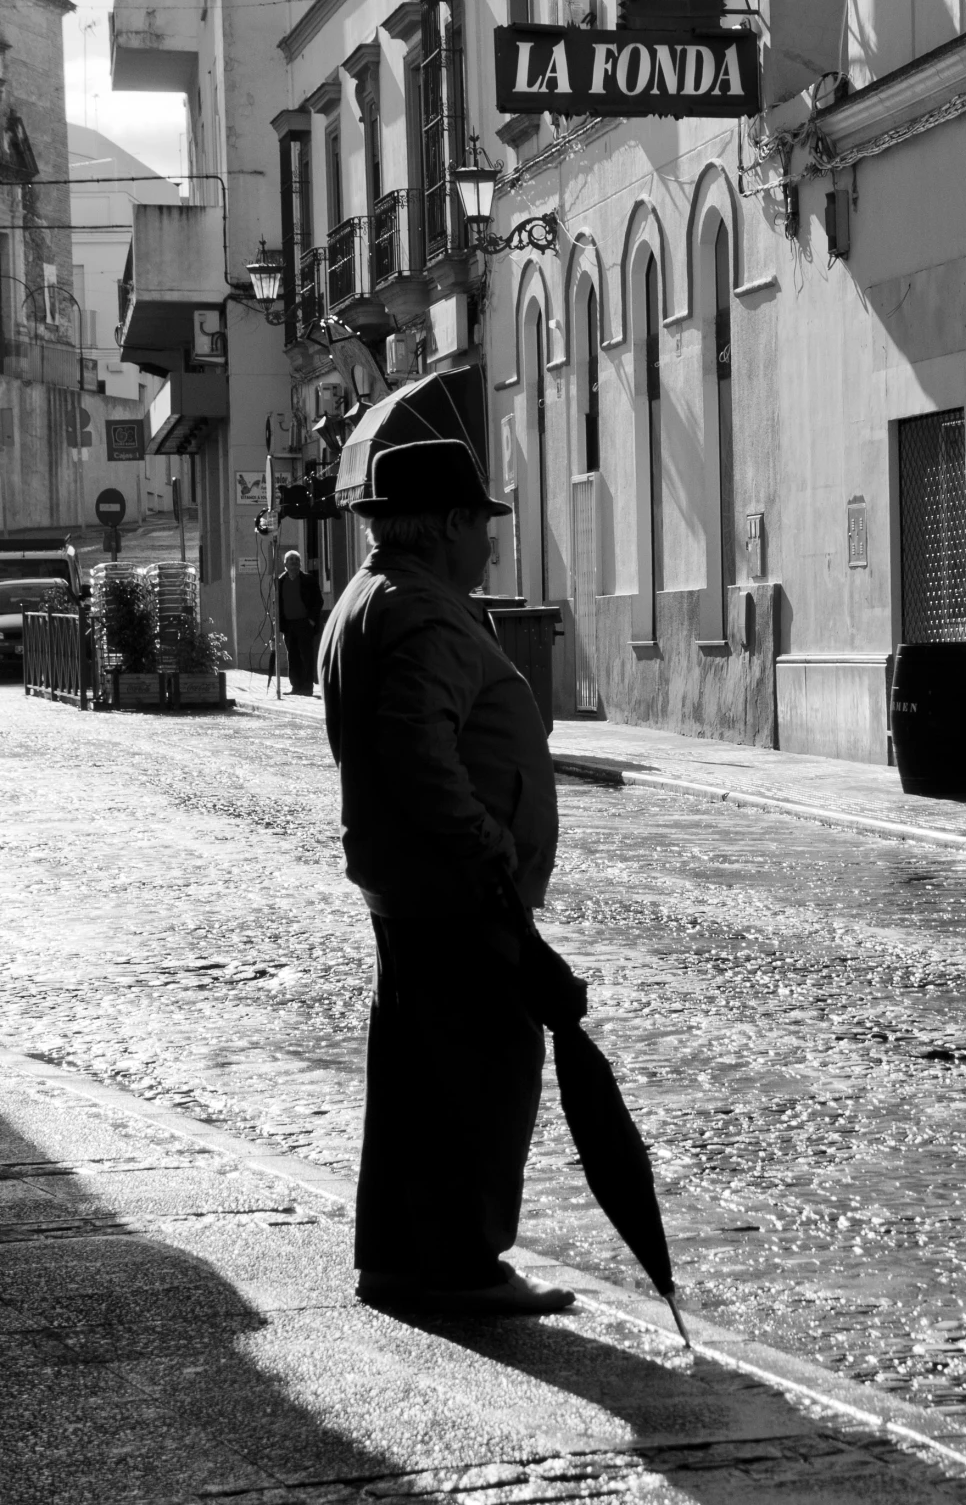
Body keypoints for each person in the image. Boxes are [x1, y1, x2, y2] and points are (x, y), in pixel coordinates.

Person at [319, 437, 574, 1315]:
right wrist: (487, 847)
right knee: (485, 1072)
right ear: (450, 525)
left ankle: (398, 1257)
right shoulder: (422, 613)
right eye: (482, 525)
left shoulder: (372, 597)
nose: (491, 545)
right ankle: (464, 1264)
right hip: (452, 885)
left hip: (409, 881)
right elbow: (418, 752)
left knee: (416, 1077)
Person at [275, 549, 324, 695]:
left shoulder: (308, 580)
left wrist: (311, 621)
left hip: (305, 624)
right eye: (291, 561)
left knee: (306, 656)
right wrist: (279, 623)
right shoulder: (280, 581)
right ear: (285, 563)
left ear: (300, 563)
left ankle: (307, 687)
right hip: (289, 625)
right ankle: (296, 686)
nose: (294, 563)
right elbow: (277, 603)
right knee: (293, 656)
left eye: (297, 561)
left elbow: (318, 601)